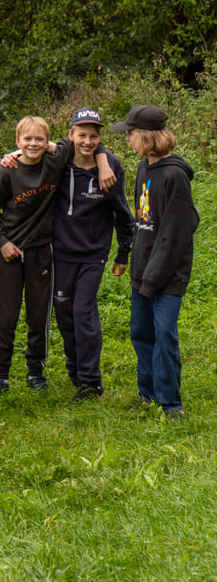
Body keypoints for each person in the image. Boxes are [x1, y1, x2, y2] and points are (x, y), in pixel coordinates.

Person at [0, 115, 114, 402]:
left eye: (39, 139)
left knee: (39, 317)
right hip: (11, 254)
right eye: (27, 139)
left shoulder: (56, 160)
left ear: (49, 142)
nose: (33, 144)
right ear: (17, 142)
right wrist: (2, 242)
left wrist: (102, 161)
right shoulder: (6, 172)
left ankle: (35, 373)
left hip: (43, 252)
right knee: (7, 316)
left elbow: (89, 141)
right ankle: (0, 376)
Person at [112, 105, 199, 418]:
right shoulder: (143, 168)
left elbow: (176, 232)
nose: (128, 139)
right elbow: (142, 223)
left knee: (164, 335)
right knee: (141, 332)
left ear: (147, 135)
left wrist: (153, 278)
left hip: (167, 275)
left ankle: (170, 403)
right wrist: (135, 265)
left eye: (131, 133)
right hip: (143, 270)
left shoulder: (174, 175)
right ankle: (147, 394)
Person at [51, 108, 133, 400]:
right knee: (64, 315)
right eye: (81, 135)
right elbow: (31, 147)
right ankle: (74, 371)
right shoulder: (58, 164)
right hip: (60, 253)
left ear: (100, 139)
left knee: (83, 313)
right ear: (70, 134)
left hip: (92, 255)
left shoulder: (111, 168)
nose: (87, 141)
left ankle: (90, 381)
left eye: (94, 136)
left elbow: (123, 213)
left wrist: (123, 252)